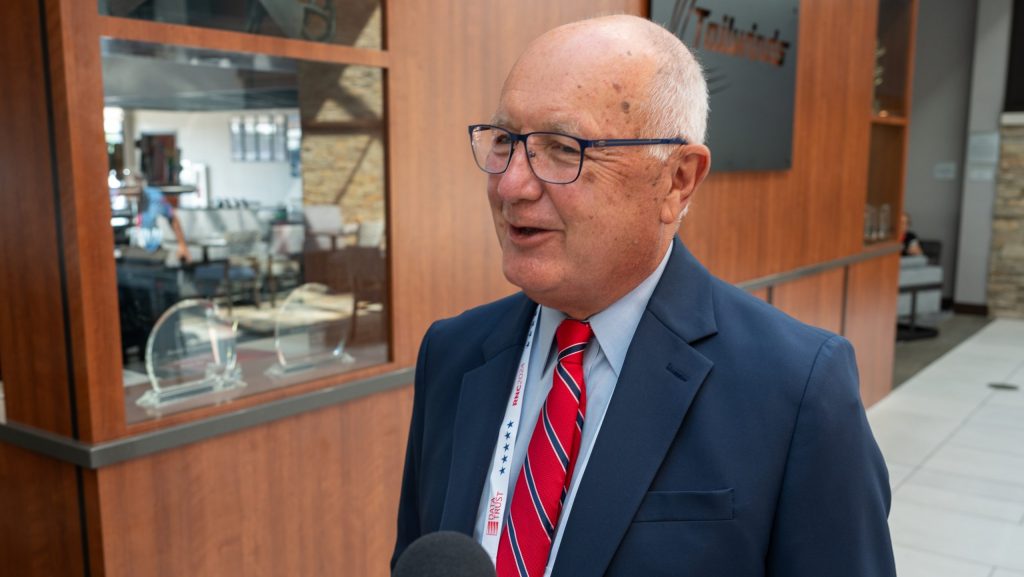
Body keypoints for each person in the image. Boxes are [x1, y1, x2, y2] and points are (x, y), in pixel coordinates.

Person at [393, 15, 896, 577]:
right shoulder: (452, 352)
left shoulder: (797, 388)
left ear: (678, 179)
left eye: (562, 148)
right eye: (506, 141)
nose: (511, 184)